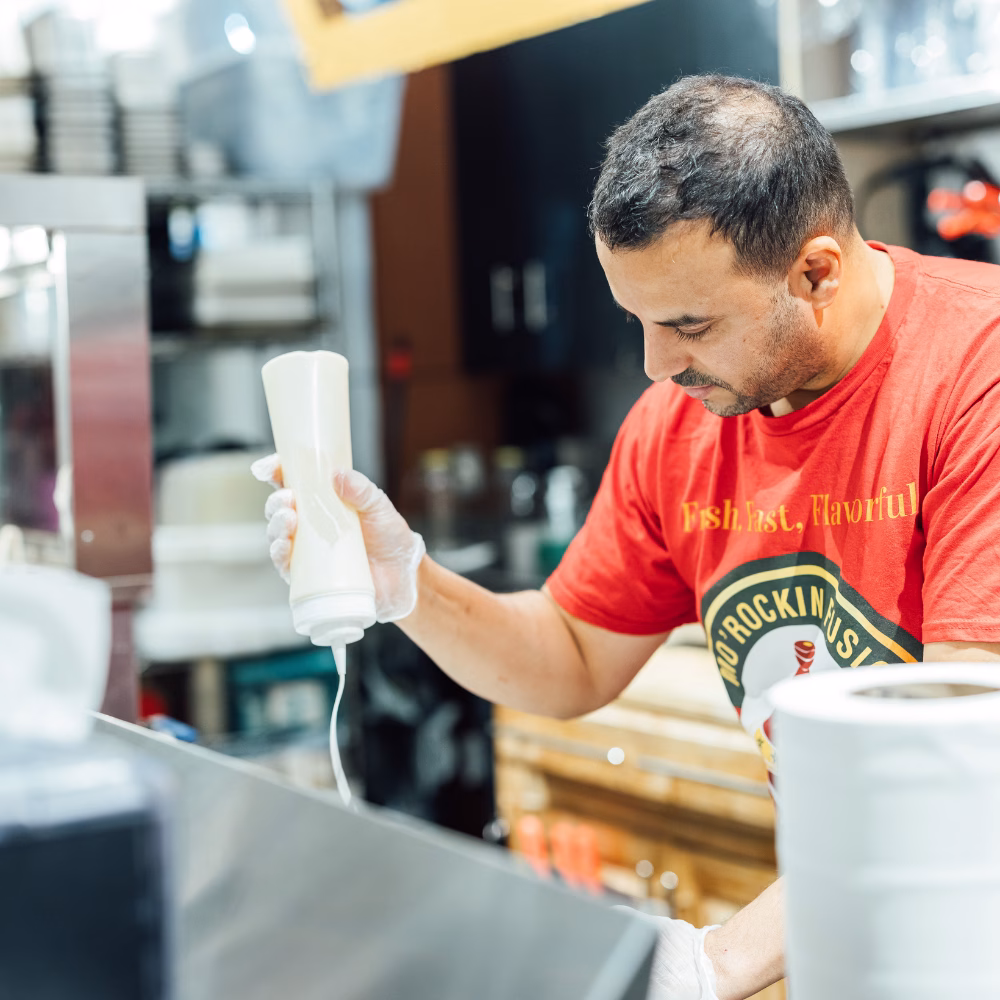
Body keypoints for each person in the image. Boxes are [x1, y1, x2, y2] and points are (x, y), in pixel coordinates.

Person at [253, 74, 1000, 999]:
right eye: (640, 322)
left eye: (688, 325)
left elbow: (965, 758)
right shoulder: (681, 423)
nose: (655, 365)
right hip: (858, 939)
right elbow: (567, 657)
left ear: (817, 272)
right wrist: (405, 580)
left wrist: (711, 965)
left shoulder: (978, 374)